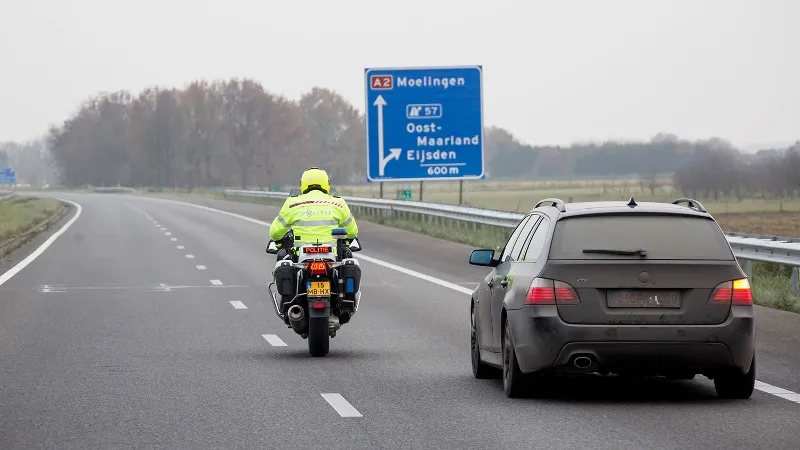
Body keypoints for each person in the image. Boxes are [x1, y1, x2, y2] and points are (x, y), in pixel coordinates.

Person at [269, 167, 359, 262]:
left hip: (300, 257)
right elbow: (352, 232)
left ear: (302, 184)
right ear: (327, 183)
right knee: (348, 260)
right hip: (333, 257)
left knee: (283, 261)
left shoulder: (292, 203)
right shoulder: (338, 203)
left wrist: (280, 241)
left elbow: (275, 233)